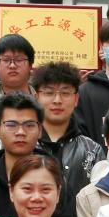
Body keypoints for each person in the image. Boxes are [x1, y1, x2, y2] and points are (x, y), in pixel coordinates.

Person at [32, 62, 104, 200]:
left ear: (76, 99)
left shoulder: (92, 151)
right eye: (49, 93)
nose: (57, 100)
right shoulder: (24, 145)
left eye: (65, 93)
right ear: (36, 98)